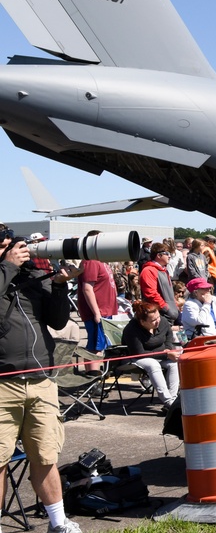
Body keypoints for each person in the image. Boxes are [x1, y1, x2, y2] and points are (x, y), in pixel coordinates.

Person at [0, 223, 83, 533]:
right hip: (1, 384)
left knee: (45, 454)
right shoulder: (6, 273)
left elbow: (58, 320)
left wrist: (59, 284)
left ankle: (58, 522)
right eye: (5, 246)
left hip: (40, 381)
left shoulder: (31, 278)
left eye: (12, 245)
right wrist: (7, 266)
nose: (12, 251)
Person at [122, 301, 181, 413]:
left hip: (160, 355)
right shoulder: (131, 330)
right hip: (136, 358)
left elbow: (168, 335)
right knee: (152, 364)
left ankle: (172, 401)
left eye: (158, 317)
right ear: (142, 322)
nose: (157, 321)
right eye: (153, 320)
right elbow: (139, 353)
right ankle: (168, 401)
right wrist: (166, 353)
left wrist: (168, 349)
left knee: (174, 363)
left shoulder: (162, 321)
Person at [76, 230, 117, 358]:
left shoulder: (102, 260)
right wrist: (97, 313)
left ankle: (96, 372)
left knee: (101, 346)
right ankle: (93, 375)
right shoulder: (91, 261)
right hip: (98, 311)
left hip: (106, 310)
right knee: (95, 348)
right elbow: (87, 288)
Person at [139, 243, 180, 322]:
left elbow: (169, 293)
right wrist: (165, 308)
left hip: (169, 314)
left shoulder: (164, 270)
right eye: (167, 253)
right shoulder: (148, 270)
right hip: (157, 316)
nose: (169, 256)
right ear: (159, 255)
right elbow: (151, 293)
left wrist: (175, 306)